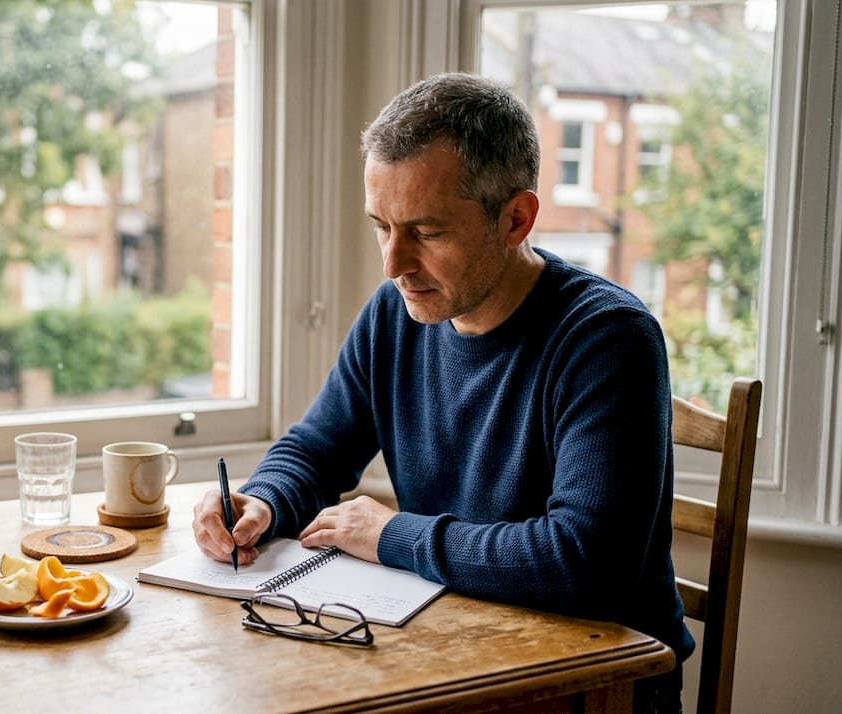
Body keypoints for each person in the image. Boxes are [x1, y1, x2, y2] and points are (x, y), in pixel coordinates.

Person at [192, 72, 691, 712]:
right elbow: (318, 448)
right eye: (381, 225)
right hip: (456, 650)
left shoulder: (607, 340)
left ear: (516, 218)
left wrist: (393, 535)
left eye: (425, 233)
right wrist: (262, 499)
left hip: (599, 684)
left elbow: (584, 561)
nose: (392, 264)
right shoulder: (395, 314)